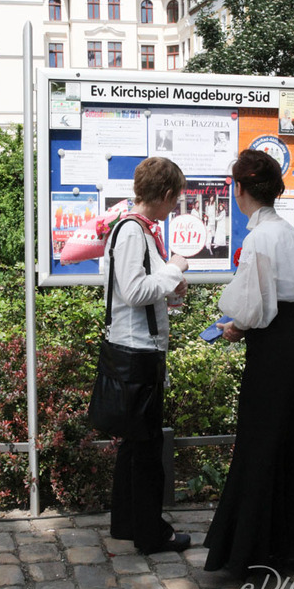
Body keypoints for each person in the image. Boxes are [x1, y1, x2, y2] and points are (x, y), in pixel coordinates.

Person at [203, 149, 294, 578]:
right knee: (287, 445)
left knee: (257, 446)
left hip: (271, 350)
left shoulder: (259, 239)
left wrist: (236, 326)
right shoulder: (293, 236)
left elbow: (252, 310)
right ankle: (284, 550)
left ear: (240, 190)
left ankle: (249, 553)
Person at [104, 157, 191, 555]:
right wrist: (173, 270)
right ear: (167, 194)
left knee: (135, 446)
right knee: (146, 450)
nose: (176, 208)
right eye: (176, 200)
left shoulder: (138, 230)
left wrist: (170, 294)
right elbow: (133, 292)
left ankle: (128, 524)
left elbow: (140, 292)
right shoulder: (133, 233)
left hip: (138, 350)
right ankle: (151, 534)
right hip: (137, 354)